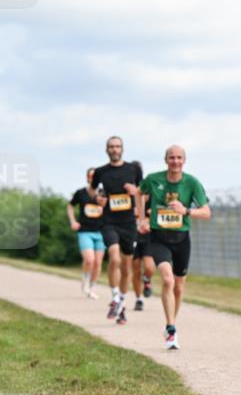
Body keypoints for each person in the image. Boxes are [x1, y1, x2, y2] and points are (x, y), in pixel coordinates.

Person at [137, 144, 210, 350]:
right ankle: (171, 330)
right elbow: (138, 193)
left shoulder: (192, 183)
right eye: (171, 158)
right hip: (158, 237)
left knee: (179, 286)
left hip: (182, 239)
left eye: (179, 158)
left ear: (184, 161)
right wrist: (141, 218)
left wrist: (185, 210)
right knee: (167, 280)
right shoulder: (153, 179)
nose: (175, 161)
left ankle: (172, 322)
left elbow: (206, 212)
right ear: (165, 160)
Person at [90, 136, 143, 325]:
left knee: (127, 268)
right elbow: (93, 191)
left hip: (128, 222)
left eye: (117, 146)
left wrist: (135, 191)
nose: (114, 149)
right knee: (114, 258)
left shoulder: (133, 169)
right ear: (106, 150)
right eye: (111, 146)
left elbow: (142, 193)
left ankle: (121, 304)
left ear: (122, 149)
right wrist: (98, 198)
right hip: (109, 221)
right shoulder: (100, 172)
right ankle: (114, 298)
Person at [69, 168, 106, 299]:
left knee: (97, 263)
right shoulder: (80, 193)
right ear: (87, 178)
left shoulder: (103, 194)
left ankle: (92, 287)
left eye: (95, 177)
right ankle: (85, 280)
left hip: (101, 232)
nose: (93, 179)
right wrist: (73, 221)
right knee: (89, 260)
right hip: (85, 231)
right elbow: (70, 206)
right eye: (91, 176)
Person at [130, 161, 154, 311]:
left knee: (150, 267)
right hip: (132, 235)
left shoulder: (148, 189)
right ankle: (139, 299)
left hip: (148, 236)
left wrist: (149, 221)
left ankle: (147, 279)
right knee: (136, 269)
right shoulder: (126, 191)